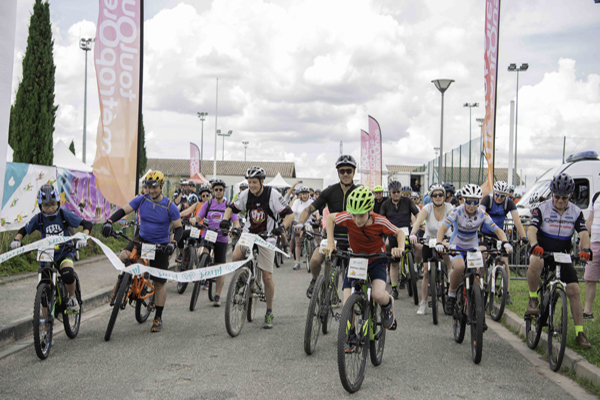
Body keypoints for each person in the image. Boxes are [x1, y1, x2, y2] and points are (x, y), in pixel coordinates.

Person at [102, 171, 182, 333]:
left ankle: (158, 317)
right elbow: (124, 210)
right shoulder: (142, 199)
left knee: (159, 283)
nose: (151, 190)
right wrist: (109, 221)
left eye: (154, 187)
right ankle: (129, 281)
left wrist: (173, 244)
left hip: (160, 245)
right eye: (149, 187)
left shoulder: (170, 206)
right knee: (123, 256)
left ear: (161, 186)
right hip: (142, 239)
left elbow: (179, 228)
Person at [323, 186, 404, 341]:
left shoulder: (380, 221)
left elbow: (399, 232)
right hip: (356, 261)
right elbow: (330, 219)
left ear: (370, 210)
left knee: (378, 294)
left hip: (377, 260)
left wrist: (399, 248)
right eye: (354, 215)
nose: (357, 220)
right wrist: (330, 242)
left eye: (361, 215)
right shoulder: (348, 217)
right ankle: (351, 334)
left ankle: (388, 304)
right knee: (347, 304)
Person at [220, 166, 294, 329]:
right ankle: (241, 283)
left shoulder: (272, 194)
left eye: (254, 182)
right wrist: (225, 220)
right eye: (249, 182)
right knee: (236, 256)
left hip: (267, 237)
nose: (251, 185)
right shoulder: (245, 194)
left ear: (262, 181)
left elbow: (290, 214)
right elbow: (231, 208)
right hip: (249, 234)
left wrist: (281, 228)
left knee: (267, 276)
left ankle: (269, 311)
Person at [526, 173, 592, 348]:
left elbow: (584, 233)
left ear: (570, 195)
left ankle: (579, 333)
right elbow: (531, 230)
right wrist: (534, 245)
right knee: (536, 261)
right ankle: (533, 298)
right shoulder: (541, 208)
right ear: (552, 194)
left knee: (574, 290)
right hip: (542, 251)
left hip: (562, 255)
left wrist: (586, 249)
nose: (560, 200)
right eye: (557, 196)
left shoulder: (576, 212)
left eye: (564, 197)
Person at [11, 184, 93, 311]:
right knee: (44, 293)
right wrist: (17, 240)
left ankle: (72, 298)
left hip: (64, 251)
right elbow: (24, 230)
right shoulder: (39, 218)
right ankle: (43, 322)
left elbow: (86, 224)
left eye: (53, 204)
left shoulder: (64, 214)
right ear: (40, 206)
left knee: (67, 273)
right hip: (46, 254)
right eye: (46, 205)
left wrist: (84, 237)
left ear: (58, 203)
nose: (50, 208)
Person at [436, 184, 513, 317]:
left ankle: (479, 311)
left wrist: (505, 242)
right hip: (457, 245)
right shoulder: (457, 211)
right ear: (464, 200)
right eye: (469, 201)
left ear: (479, 202)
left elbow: (497, 230)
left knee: (477, 275)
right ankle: (452, 294)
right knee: (459, 267)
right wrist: (439, 242)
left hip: (472, 246)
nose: (472, 205)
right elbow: (443, 228)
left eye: (475, 202)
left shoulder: (482, 213)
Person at [294, 155, 358, 298]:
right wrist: (300, 223)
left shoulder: (359, 192)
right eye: (342, 171)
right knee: (315, 260)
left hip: (353, 238)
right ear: (338, 172)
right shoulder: (330, 191)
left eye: (349, 170)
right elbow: (309, 209)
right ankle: (316, 281)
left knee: (357, 272)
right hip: (331, 236)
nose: (345, 174)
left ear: (354, 172)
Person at [190, 179, 240, 307]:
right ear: (212, 191)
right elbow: (199, 217)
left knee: (219, 267)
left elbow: (236, 222)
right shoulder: (208, 204)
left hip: (221, 238)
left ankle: (217, 296)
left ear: (224, 191)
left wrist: (235, 229)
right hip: (208, 235)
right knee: (200, 252)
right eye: (216, 189)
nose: (218, 192)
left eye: (220, 190)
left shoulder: (229, 206)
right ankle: (203, 265)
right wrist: (194, 220)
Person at [479, 181, 527, 304]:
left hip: (499, 236)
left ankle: (506, 292)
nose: (499, 198)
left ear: (506, 196)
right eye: (497, 194)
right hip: (485, 234)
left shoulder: (509, 203)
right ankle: (480, 282)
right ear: (494, 192)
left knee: (505, 262)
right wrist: (478, 233)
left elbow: (517, 221)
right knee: (482, 255)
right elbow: (479, 216)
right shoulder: (487, 200)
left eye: (502, 196)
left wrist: (523, 237)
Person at [409, 184, 453, 315]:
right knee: (426, 272)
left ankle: (450, 284)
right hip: (429, 241)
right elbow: (418, 222)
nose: (438, 197)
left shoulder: (449, 207)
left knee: (449, 264)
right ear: (431, 197)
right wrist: (413, 233)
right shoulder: (427, 208)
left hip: (445, 240)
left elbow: (454, 221)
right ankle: (423, 303)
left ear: (444, 196)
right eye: (435, 195)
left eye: (440, 195)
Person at [379, 180, 420, 299]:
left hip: (407, 232)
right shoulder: (385, 204)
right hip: (392, 233)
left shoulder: (407, 201)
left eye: (398, 192)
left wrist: (419, 224)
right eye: (394, 192)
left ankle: (414, 268)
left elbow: (417, 215)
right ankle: (394, 288)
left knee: (417, 247)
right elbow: (381, 220)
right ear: (390, 192)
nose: (396, 194)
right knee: (394, 263)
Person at [584, 191, 600, 321]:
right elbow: (590, 220)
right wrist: (584, 239)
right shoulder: (596, 196)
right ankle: (587, 312)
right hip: (594, 243)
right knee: (589, 278)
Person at [290, 186, 314, 270]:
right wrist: (293, 220)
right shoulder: (296, 202)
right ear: (300, 195)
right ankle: (297, 262)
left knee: (312, 237)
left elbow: (316, 212)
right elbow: (293, 212)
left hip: (308, 223)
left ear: (308, 194)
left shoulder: (311, 202)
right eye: (303, 194)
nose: (304, 195)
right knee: (298, 243)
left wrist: (318, 218)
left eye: (306, 194)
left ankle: (312, 252)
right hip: (298, 223)